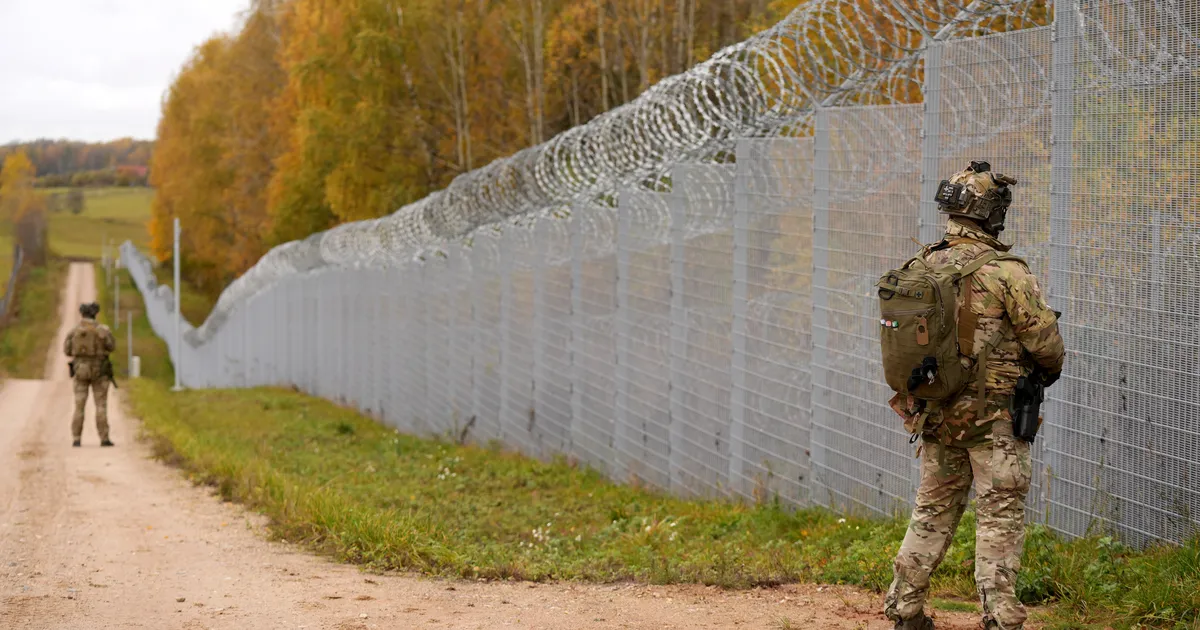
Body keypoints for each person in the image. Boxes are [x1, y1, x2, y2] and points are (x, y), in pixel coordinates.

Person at [882, 162, 1065, 630]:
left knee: (932, 511)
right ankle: (1000, 617)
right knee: (1000, 514)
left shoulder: (920, 265)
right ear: (990, 213)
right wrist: (1043, 371)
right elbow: (1046, 345)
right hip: (995, 418)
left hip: (936, 413)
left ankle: (903, 609)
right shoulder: (1007, 272)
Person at [63, 301, 117, 447]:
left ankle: (76, 438)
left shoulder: (74, 331)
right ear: (95, 313)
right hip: (100, 371)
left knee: (79, 405)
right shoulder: (103, 330)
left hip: (80, 371)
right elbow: (112, 347)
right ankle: (104, 438)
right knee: (101, 405)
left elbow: (67, 351)